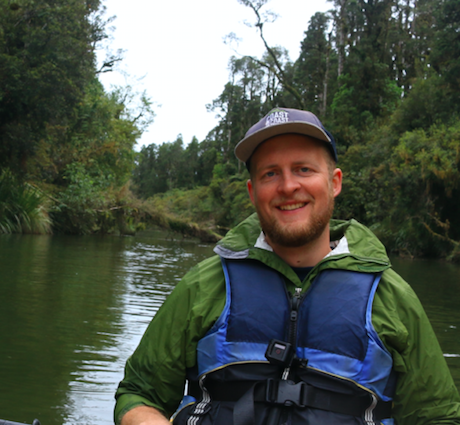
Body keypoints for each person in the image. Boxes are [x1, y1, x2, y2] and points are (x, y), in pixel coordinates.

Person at [114, 107, 460, 425]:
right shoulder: (204, 285)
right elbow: (140, 394)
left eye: (303, 169)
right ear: (252, 192)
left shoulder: (392, 296)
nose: (288, 186)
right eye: (270, 174)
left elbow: (437, 416)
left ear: (334, 182)